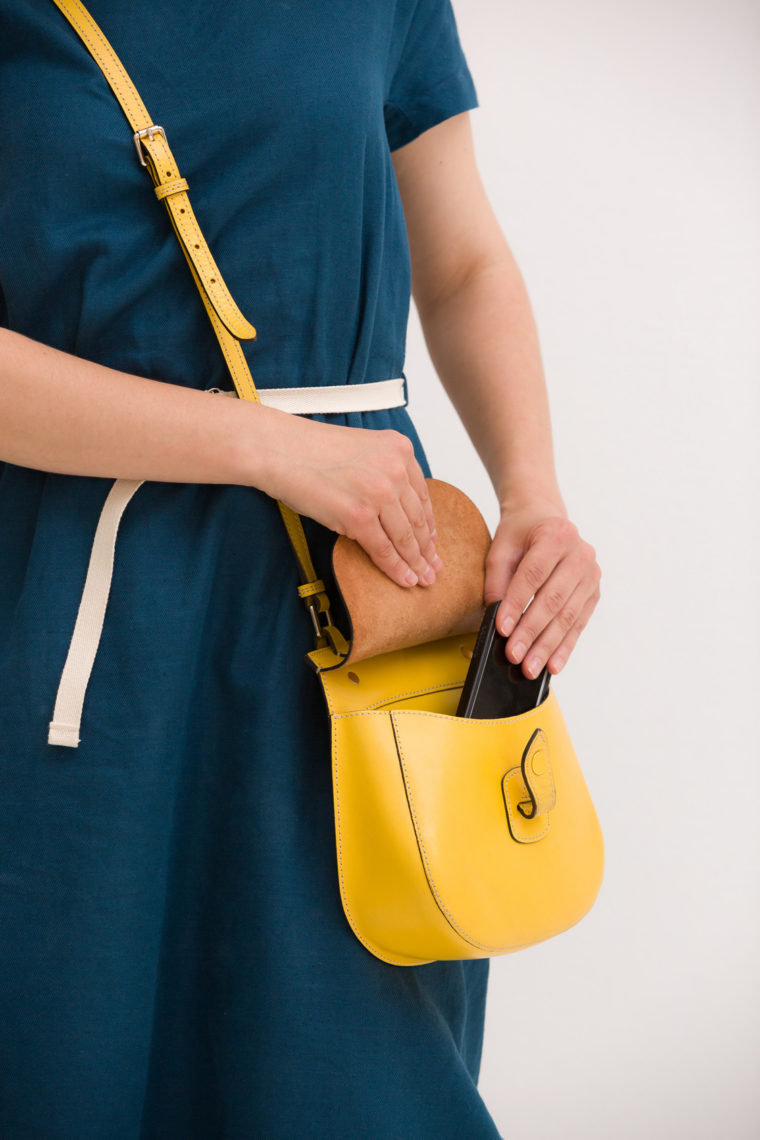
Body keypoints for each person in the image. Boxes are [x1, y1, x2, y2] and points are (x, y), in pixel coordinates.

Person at [0, 2, 601, 1137]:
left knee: (359, 1064)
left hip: (370, 598)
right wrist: (259, 445)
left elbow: (465, 263)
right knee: (66, 1044)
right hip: (80, 620)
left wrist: (534, 498)